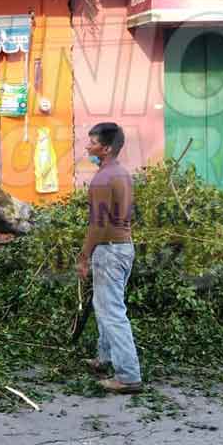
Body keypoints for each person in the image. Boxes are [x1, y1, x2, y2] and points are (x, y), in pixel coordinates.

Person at [76, 122, 142, 394]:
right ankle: (105, 359)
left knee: (113, 312)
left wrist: (83, 257)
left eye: (92, 143)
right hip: (123, 246)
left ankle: (128, 376)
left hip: (110, 249)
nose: (87, 147)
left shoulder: (103, 179)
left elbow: (98, 225)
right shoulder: (121, 174)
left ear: (105, 148)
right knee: (104, 304)